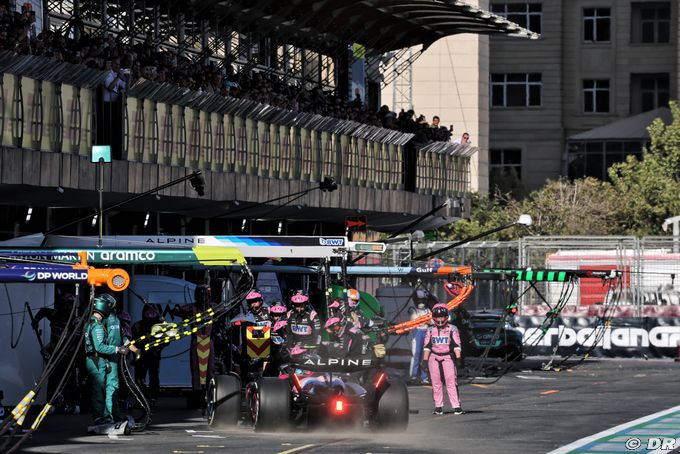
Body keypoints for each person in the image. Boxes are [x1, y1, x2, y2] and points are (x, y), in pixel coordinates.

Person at [84, 294, 130, 424]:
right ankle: (100, 418)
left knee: (103, 389)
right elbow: (99, 347)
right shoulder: (97, 325)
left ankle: (107, 416)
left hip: (98, 360)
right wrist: (117, 349)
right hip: (96, 360)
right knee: (99, 390)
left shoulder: (92, 322)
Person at [423, 304, 463, 415]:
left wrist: (458, 358)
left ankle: (456, 406)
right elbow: (427, 346)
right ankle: (438, 406)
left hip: (447, 357)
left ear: (446, 317)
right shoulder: (430, 330)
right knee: (436, 383)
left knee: (451, 382)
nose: (440, 319)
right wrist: (425, 361)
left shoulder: (452, 329)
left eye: (442, 316)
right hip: (434, 357)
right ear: (434, 317)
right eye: (437, 316)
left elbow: (456, 345)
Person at [132, 304, 164, 406]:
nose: (150, 313)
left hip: (154, 356)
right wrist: (137, 351)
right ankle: (140, 399)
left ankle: (153, 398)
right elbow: (132, 341)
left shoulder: (160, 327)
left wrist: (157, 348)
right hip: (140, 357)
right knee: (139, 378)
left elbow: (166, 341)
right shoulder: (137, 326)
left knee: (154, 377)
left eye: (153, 311)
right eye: (148, 311)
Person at [408, 289, 432, 384]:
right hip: (416, 332)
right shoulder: (412, 309)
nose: (420, 302)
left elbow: (432, 321)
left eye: (422, 300)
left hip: (426, 332)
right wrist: (426, 320)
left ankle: (424, 377)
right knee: (415, 355)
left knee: (425, 356)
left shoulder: (428, 310)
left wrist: (426, 321)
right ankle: (413, 376)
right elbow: (414, 320)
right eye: (419, 300)